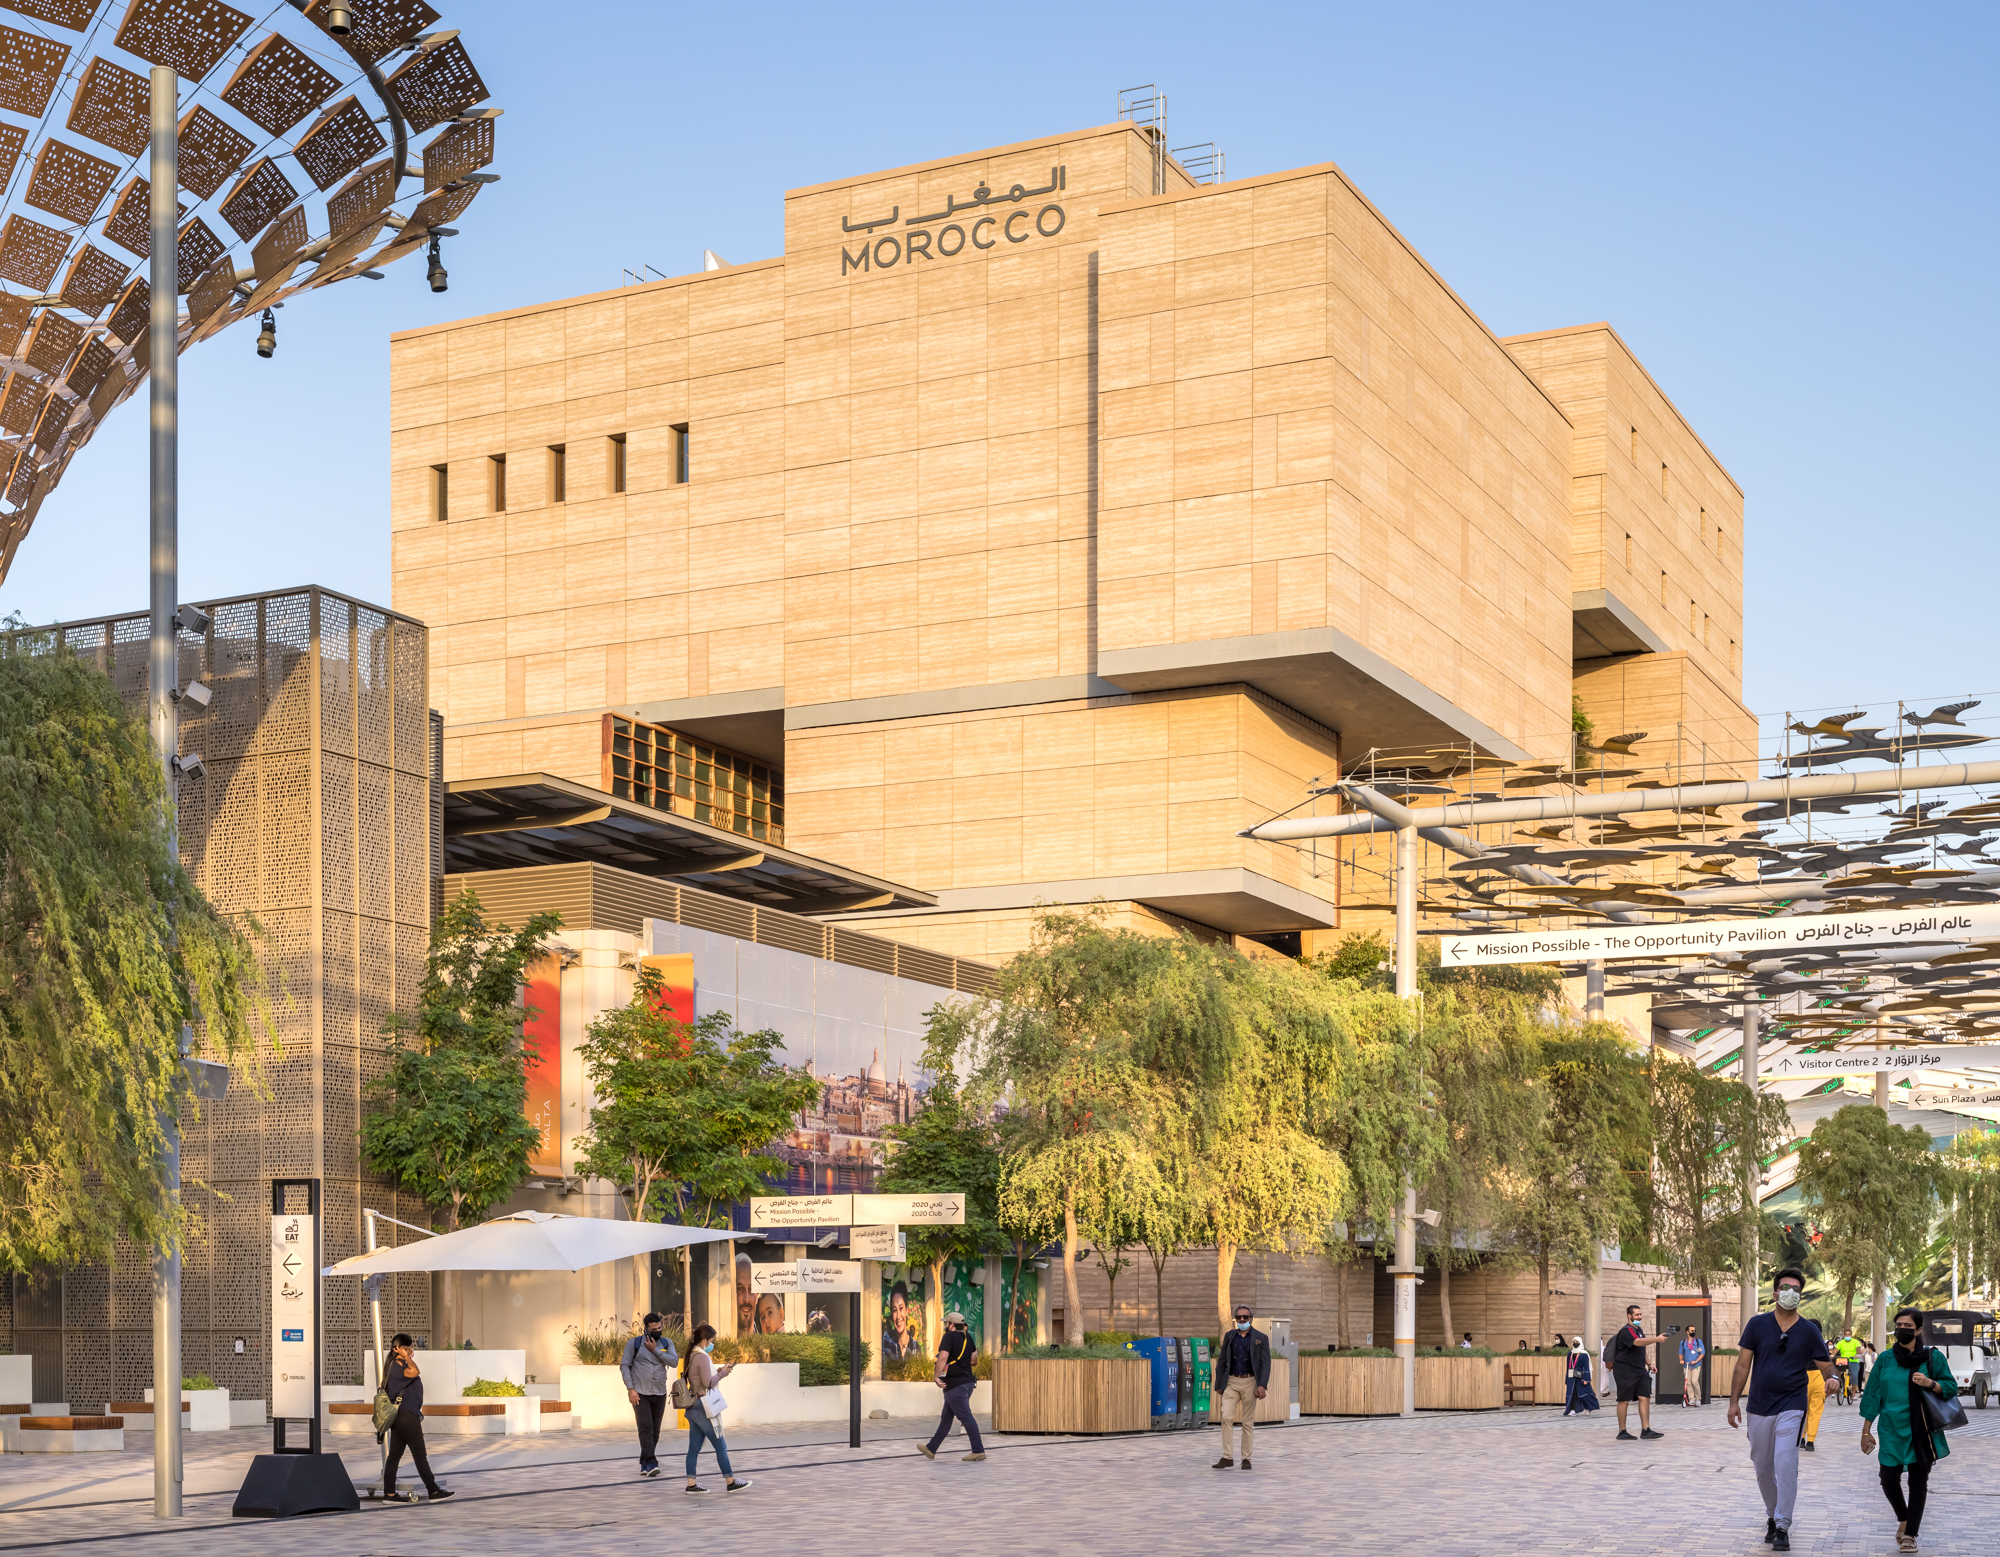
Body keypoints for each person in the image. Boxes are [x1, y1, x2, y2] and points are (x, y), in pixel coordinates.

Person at [1727, 1267, 1833, 1552]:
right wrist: (1734, 1402)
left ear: (1801, 1295)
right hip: (1759, 1406)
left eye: (1796, 1289)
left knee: (1785, 1463)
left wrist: (1832, 1378)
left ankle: (1783, 1525)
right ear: (1775, 1293)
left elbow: (1826, 1365)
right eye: (1786, 1288)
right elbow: (1742, 1365)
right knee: (1762, 1467)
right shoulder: (1757, 1324)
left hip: (1792, 1405)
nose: (1791, 1293)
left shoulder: (1809, 1331)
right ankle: (1772, 1515)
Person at [1860, 1306, 1960, 1553]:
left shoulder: (1933, 1358)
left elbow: (1950, 1386)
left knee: (1918, 1483)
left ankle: (1910, 1535)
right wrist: (1865, 1431)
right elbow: (1873, 1395)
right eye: (1899, 1325)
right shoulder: (1885, 1359)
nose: (1902, 1329)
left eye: (1908, 1326)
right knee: (1888, 1479)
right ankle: (1904, 1519)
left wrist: (1930, 1383)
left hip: (1922, 1430)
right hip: (1891, 1430)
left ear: (1918, 1330)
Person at [678, 1323, 751, 1495]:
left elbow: (701, 1378)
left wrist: (719, 1370)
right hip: (703, 1407)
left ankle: (691, 1484)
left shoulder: (692, 1355)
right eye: (712, 1341)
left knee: (693, 1449)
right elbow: (708, 1383)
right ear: (704, 1340)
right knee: (720, 1445)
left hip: (693, 1406)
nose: (712, 1344)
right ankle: (730, 1482)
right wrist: (723, 1373)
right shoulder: (702, 1357)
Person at [381, 1333, 453, 1503]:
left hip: (402, 1416)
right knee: (420, 1454)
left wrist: (407, 1357)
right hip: (406, 1415)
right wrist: (407, 1357)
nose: (411, 1350)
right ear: (399, 1348)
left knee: (394, 1456)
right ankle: (433, 1491)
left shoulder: (397, 1365)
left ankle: (389, 1494)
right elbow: (415, 1372)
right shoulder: (398, 1366)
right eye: (407, 1347)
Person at [918, 1309, 985, 1463]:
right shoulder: (968, 1337)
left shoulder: (948, 1337)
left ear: (952, 1325)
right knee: (946, 1419)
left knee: (966, 1417)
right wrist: (961, 1363)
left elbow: (943, 1357)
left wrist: (936, 1376)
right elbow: (974, 1359)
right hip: (967, 1382)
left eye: (947, 1323)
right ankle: (931, 1449)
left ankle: (978, 1450)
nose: (945, 1326)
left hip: (955, 1385)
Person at [1211, 1303, 1270, 1471]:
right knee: (1226, 1417)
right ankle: (1227, 1457)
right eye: (1239, 1317)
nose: (1242, 1319)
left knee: (1247, 1422)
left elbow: (1265, 1363)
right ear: (1235, 1319)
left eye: (1245, 1317)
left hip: (1250, 1382)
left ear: (1251, 1318)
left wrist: (1262, 1385)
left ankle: (1246, 1458)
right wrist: (1219, 1384)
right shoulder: (1230, 1336)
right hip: (1231, 1382)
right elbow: (1222, 1360)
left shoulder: (1261, 1338)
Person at [620, 1311, 679, 1478]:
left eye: (659, 1328)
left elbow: (674, 1362)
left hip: (660, 1391)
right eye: (654, 1329)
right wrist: (630, 1389)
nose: (658, 1331)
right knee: (645, 1426)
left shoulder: (667, 1343)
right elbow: (625, 1365)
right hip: (640, 1392)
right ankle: (652, 1462)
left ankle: (644, 1462)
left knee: (655, 1430)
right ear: (646, 1329)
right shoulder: (634, 1343)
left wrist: (656, 1351)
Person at [1611, 1303, 1667, 1440]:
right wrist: (1657, 1339)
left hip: (1640, 1370)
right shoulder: (1626, 1331)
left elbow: (1642, 1348)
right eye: (1637, 1315)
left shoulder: (1639, 1329)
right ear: (1629, 1316)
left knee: (1645, 1397)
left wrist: (1649, 1364)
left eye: (1640, 1314)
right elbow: (1637, 1342)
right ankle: (1622, 1431)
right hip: (1625, 1370)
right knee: (1624, 1400)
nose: (1639, 1317)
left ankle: (1646, 1430)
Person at [1563, 1336, 1600, 1415]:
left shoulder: (1584, 1354)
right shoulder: (1570, 1353)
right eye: (1574, 1342)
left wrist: (1586, 1379)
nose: (1575, 1343)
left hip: (1581, 1377)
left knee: (1584, 1394)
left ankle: (1588, 1407)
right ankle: (1573, 1409)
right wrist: (1567, 1379)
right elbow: (1568, 1367)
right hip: (1571, 1377)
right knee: (1572, 1394)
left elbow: (1586, 1367)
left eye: (1577, 1342)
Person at [1679, 1328, 1706, 1408]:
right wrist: (1681, 1360)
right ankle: (1691, 1399)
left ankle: (1698, 1399)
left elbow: (1702, 1353)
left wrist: (1696, 1360)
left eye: (1694, 1330)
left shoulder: (1698, 1342)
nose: (1693, 1332)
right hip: (1687, 1365)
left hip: (1696, 1365)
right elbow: (1680, 1353)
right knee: (1688, 1382)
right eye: (1692, 1331)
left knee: (1694, 1381)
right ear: (1687, 1332)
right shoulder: (1683, 1342)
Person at [1835, 1330, 1862, 1403]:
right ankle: (1840, 1384)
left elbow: (1858, 1349)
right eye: (1846, 1334)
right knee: (1837, 1373)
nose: (1847, 1336)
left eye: (1849, 1334)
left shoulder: (1855, 1342)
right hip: (1843, 1361)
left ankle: (1853, 1394)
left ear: (1851, 1335)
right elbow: (1835, 1350)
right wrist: (1832, 1354)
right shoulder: (1840, 1343)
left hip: (1853, 1361)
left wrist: (1857, 1354)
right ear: (1844, 1335)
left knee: (1854, 1376)